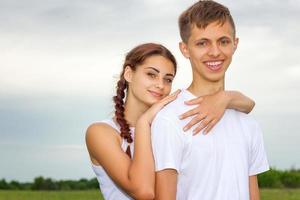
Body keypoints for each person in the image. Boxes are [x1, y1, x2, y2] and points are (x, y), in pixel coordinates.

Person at [86, 43, 255, 200]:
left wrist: (227, 96)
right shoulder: (101, 132)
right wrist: (144, 123)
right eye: (151, 75)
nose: (160, 85)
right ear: (129, 74)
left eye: (168, 79)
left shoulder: (167, 125)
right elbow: (143, 191)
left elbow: (248, 105)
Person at [151, 1, 269, 200]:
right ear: (185, 49)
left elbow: (252, 195)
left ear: (235, 44)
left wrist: (226, 97)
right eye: (202, 43)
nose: (215, 52)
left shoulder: (249, 124)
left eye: (223, 41)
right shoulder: (170, 120)